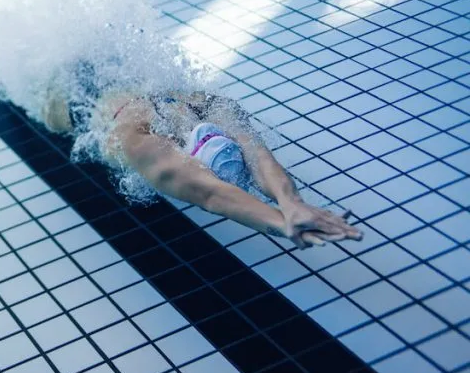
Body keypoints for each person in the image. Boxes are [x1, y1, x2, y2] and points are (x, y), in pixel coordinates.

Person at [41, 63, 363, 249]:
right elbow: (258, 156)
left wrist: (282, 225)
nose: (210, 131)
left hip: (66, 104)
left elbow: (212, 195)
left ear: (189, 156)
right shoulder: (207, 105)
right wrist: (291, 202)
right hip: (115, 71)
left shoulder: (138, 142)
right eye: (215, 134)